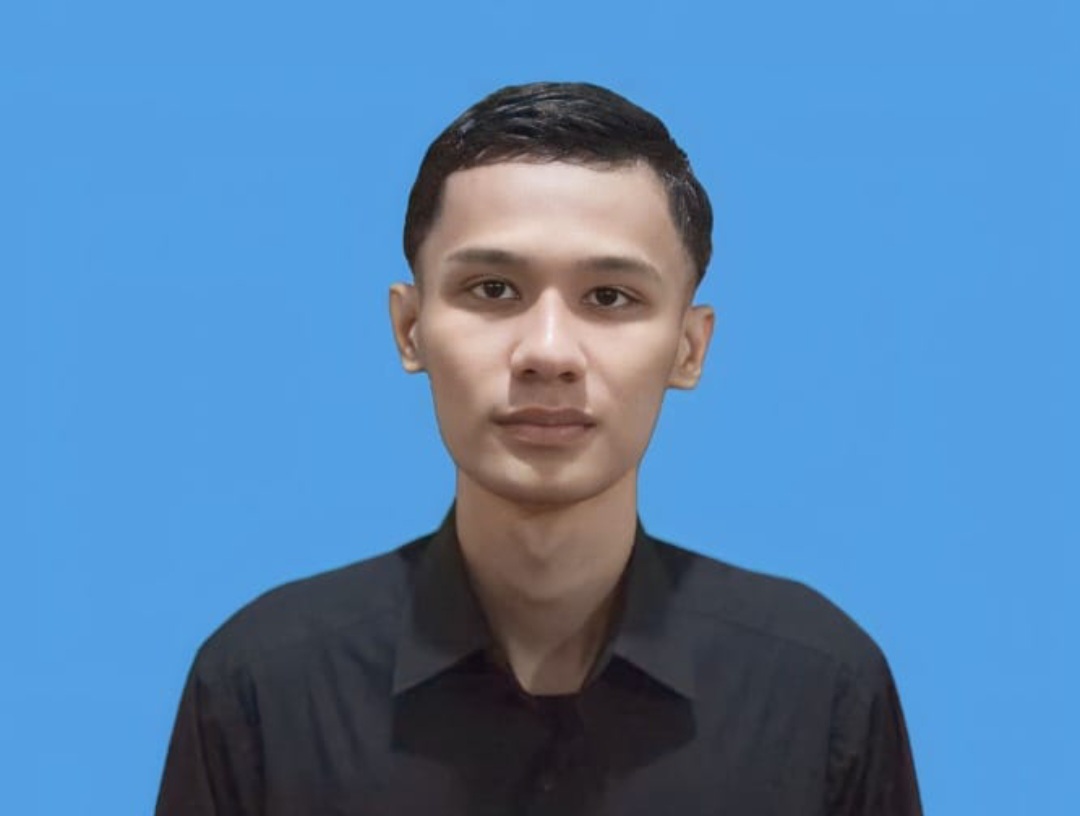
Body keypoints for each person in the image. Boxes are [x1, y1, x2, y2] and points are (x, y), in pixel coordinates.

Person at [155, 81, 922, 815]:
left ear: (690, 348)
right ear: (410, 328)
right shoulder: (263, 692)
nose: (548, 352)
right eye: (493, 289)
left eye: (610, 297)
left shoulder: (818, 692)